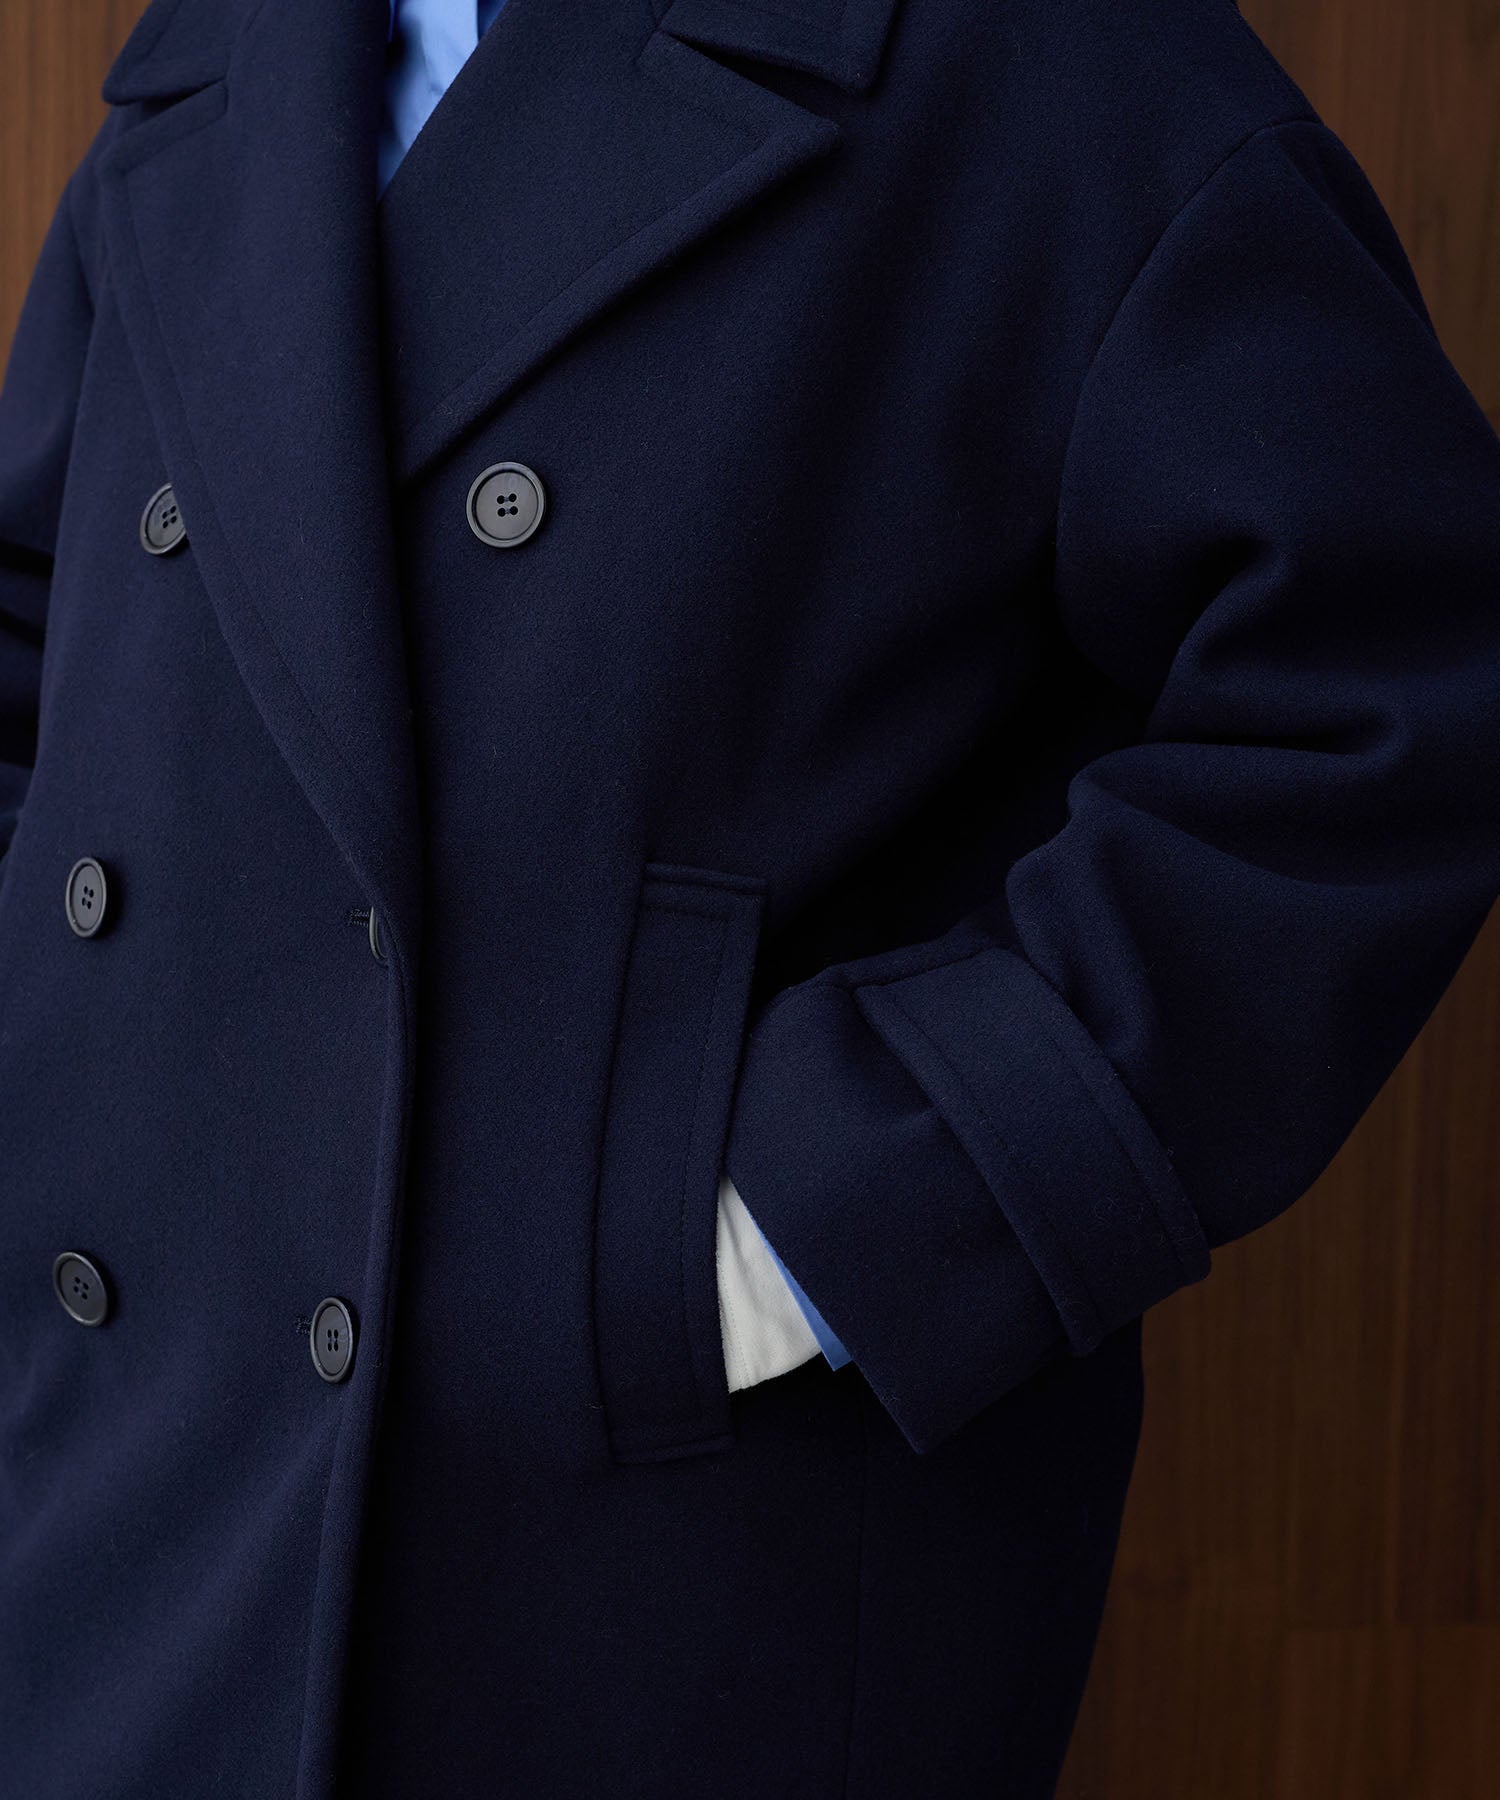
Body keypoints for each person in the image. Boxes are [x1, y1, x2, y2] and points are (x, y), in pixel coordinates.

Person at [3, 0, 1499, 1794]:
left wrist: (843, 1216)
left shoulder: (1054, 57)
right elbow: (38, 636)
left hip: (647, 1576)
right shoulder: (230, 56)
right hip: (116, 1505)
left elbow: (1397, 695)